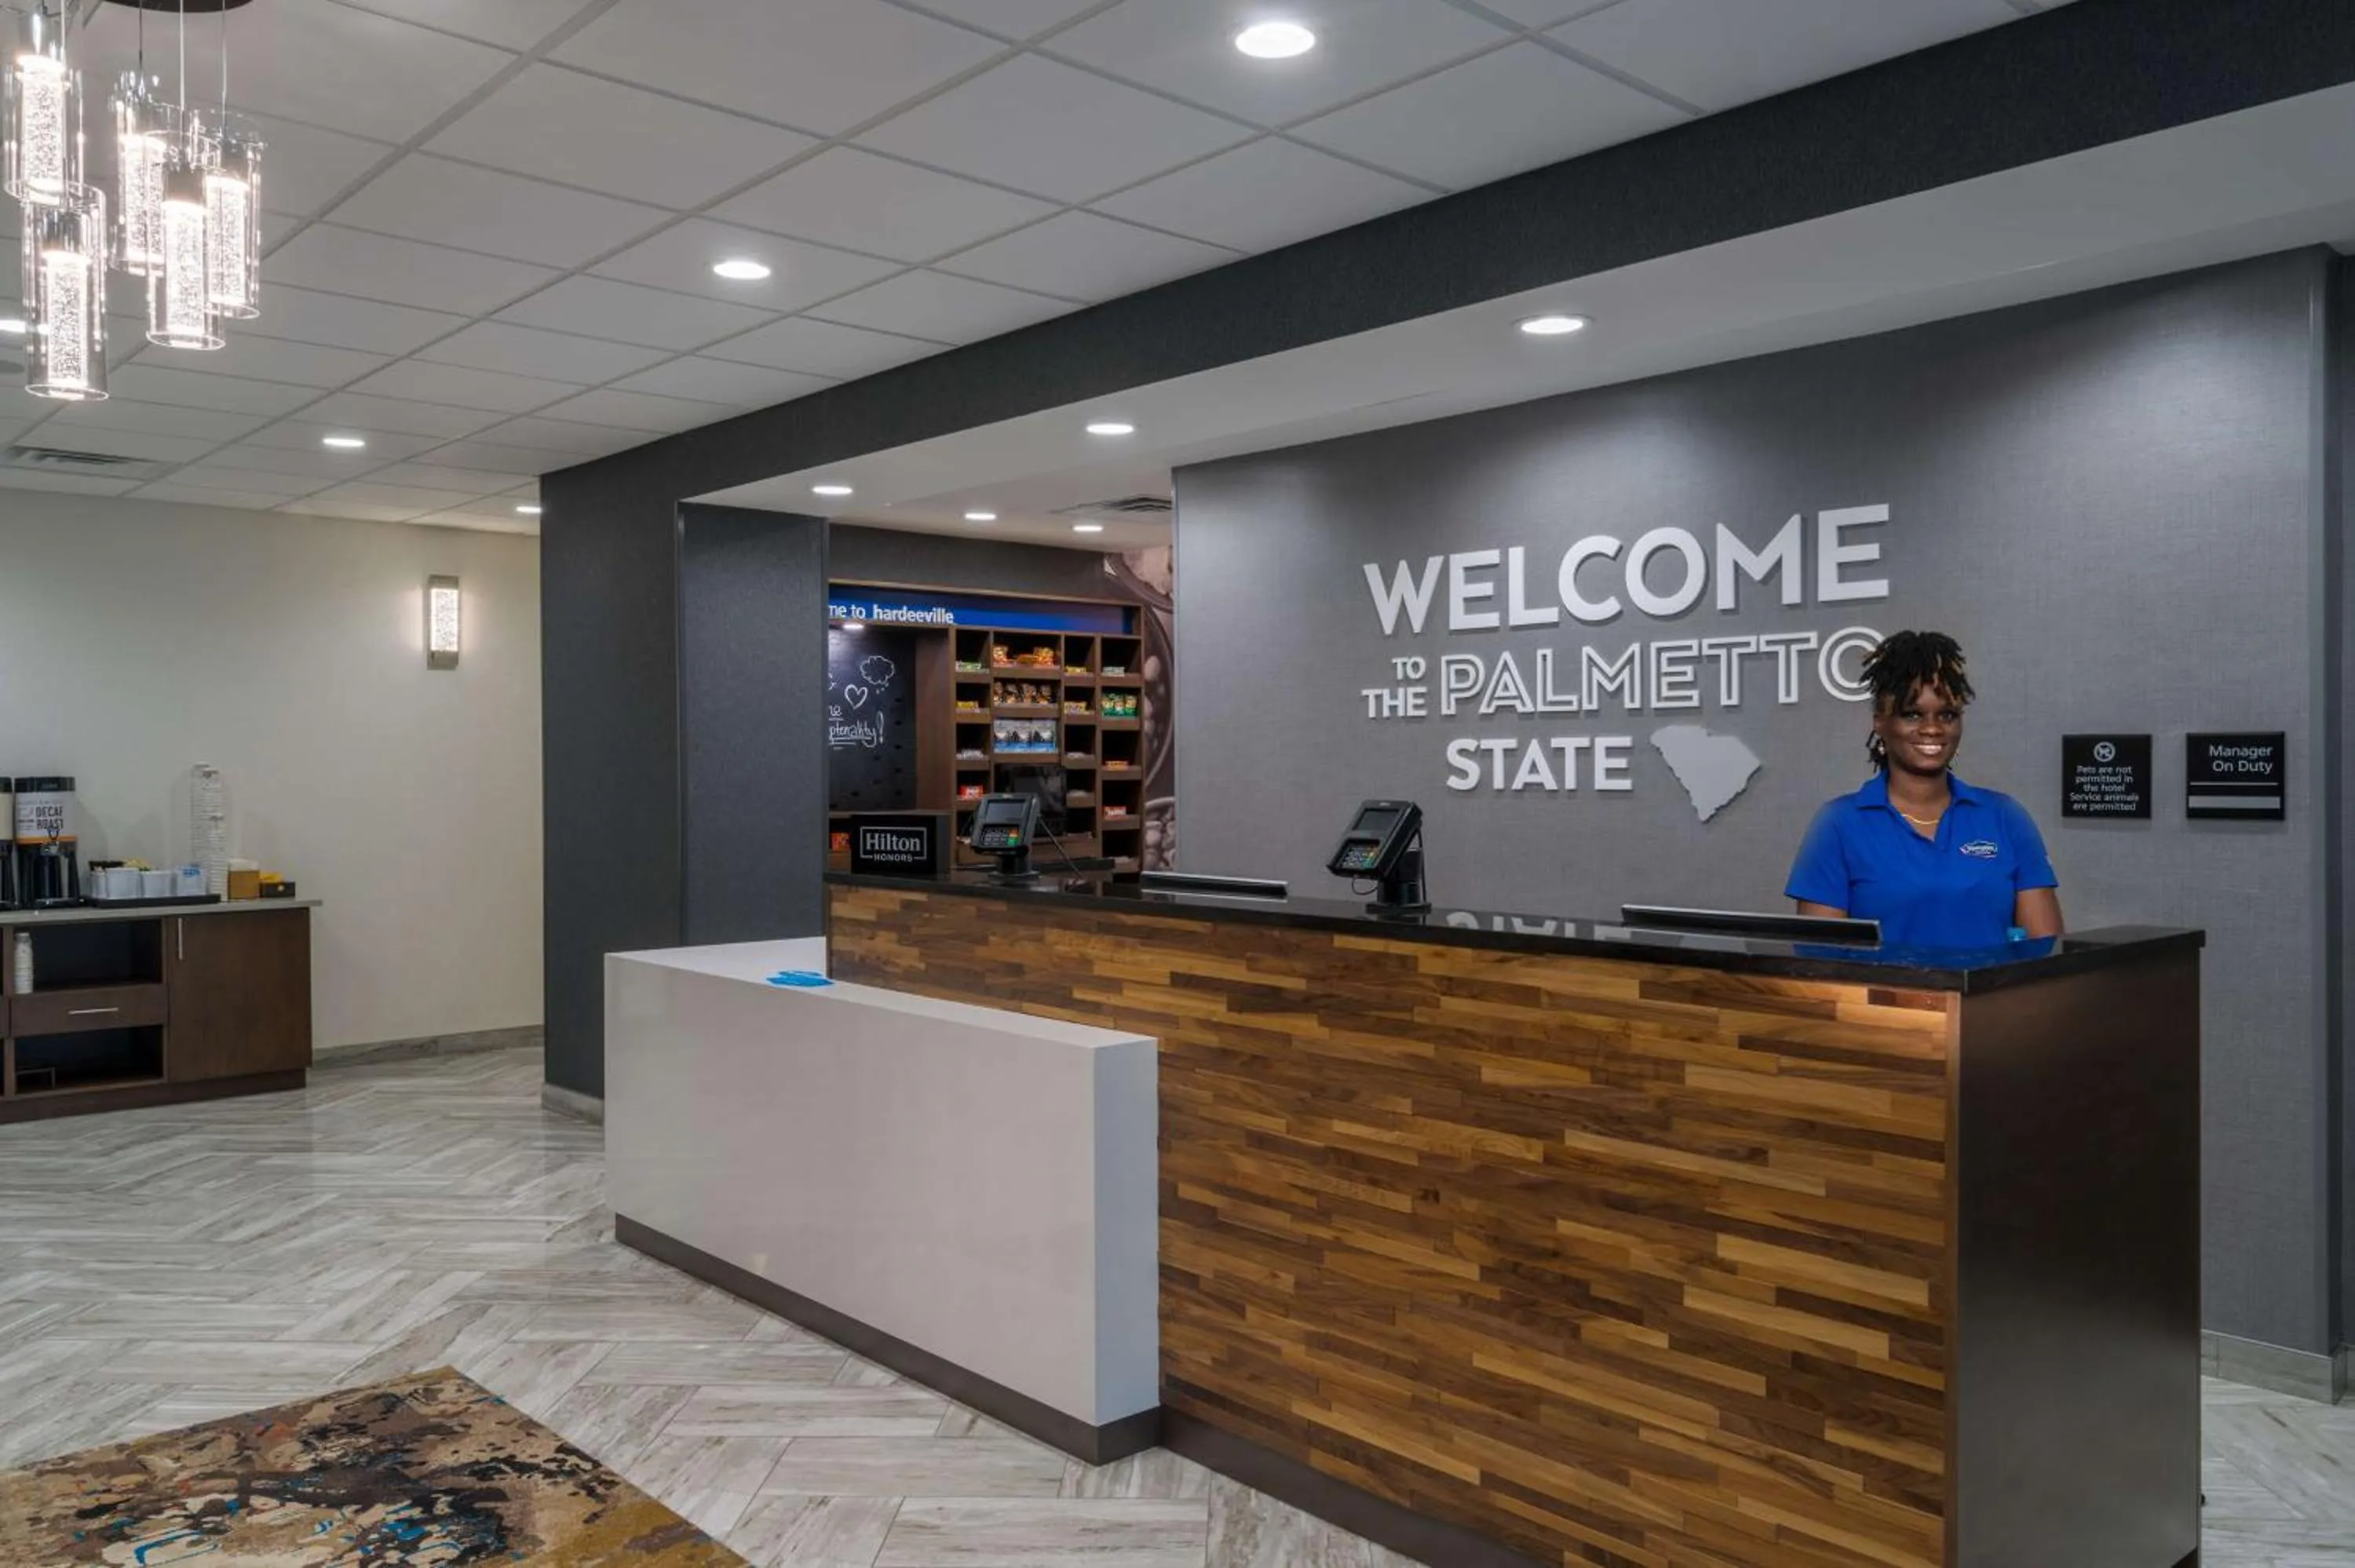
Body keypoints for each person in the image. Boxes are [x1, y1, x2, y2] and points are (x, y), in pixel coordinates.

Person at [1786, 631, 2062, 946]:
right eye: (1912, 714)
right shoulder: (1839, 823)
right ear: (1880, 722)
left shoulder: (2004, 816)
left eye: (1947, 715)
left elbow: (2047, 953)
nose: (1932, 728)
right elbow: (1820, 961)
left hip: (1989, 997)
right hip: (1882, 997)